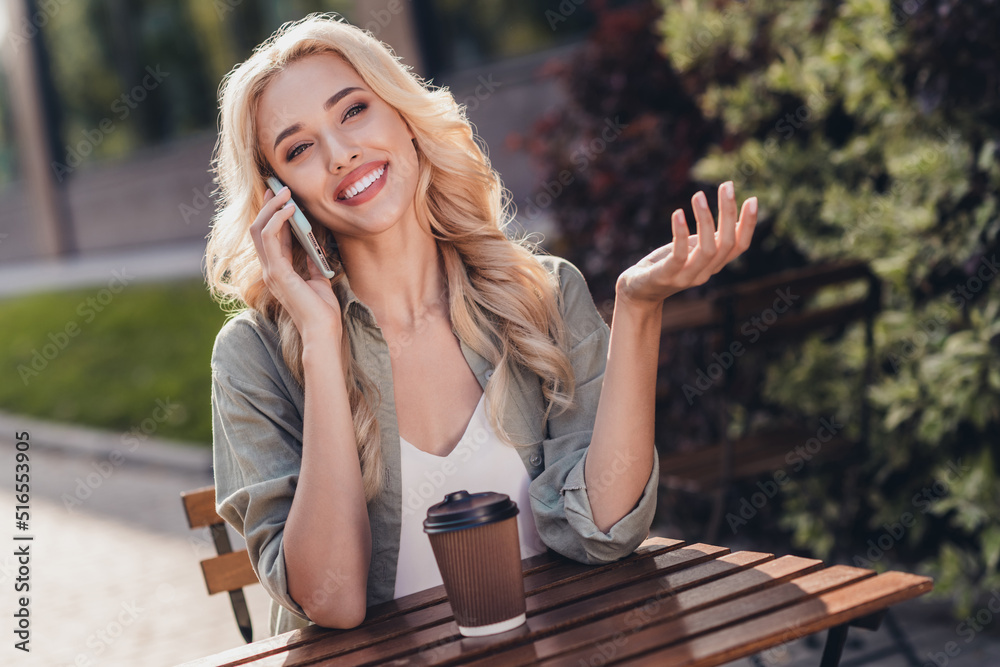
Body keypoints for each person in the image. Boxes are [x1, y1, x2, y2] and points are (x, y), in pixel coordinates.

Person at [204, 12, 757, 638]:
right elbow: (333, 603)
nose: (340, 154)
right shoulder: (255, 355)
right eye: (298, 148)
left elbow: (607, 529)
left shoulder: (539, 295)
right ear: (280, 198)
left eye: (354, 111)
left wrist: (637, 309)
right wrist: (322, 341)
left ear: (406, 119)